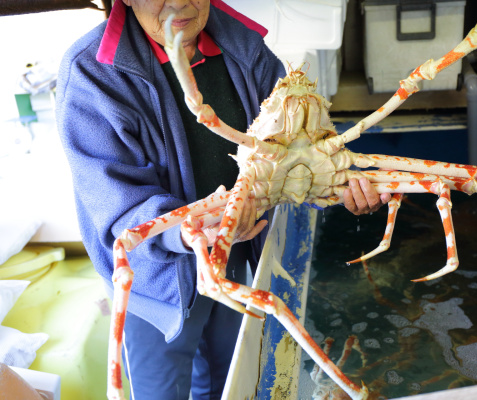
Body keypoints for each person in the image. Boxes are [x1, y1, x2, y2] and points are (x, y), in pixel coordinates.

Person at [56, 0, 391, 399]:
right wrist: (189, 230)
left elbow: (290, 156)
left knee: (223, 380)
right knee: (162, 392)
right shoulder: (92, 72)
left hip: (233, 247)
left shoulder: (245, 48)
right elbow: (113, 200)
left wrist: (333, 188)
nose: (179, 1)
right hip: (154, 276)